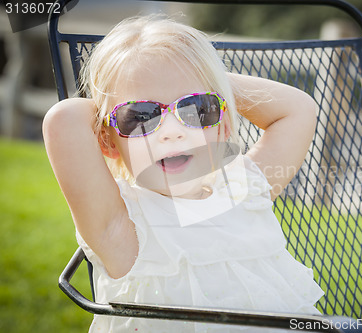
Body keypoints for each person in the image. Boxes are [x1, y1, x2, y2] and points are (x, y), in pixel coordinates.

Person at [43, 14, 323, 332]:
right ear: (107, 140)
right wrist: (164, 78)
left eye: (197, 108)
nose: (172, 132)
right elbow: (63, 120)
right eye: (140, 116)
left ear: (224, 124)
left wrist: (205, 79)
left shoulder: (245, 189)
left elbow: (299, 109)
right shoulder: (121, 227)